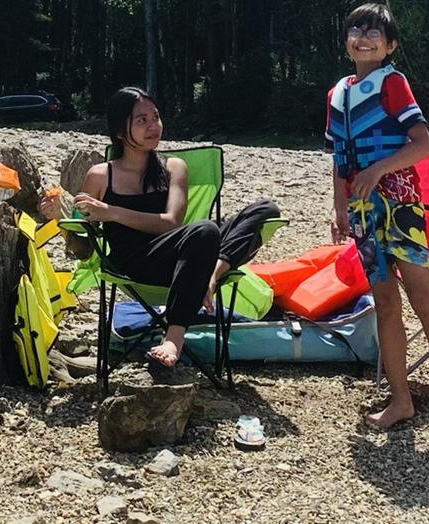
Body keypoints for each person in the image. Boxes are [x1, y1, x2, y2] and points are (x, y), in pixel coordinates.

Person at [44, 86, 279, 372]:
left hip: (184, 259)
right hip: (137, 264)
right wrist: (60, 215)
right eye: (141, 120)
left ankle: (212, 275)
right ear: (120, 131)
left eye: (155, 117)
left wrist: (112, 212)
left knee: (264, 210)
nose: (153, 126)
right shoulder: (100, 176)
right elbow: (83, 248)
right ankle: (173, 338)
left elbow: (171, 223)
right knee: (205, 231)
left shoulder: (173, 168)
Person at [326, 1, 429, 438]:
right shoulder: (338, 93)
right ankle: (401, 399)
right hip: (363, 211)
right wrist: (339, 206)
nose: (363, 38)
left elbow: (422, 145)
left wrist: (376, 171)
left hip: (400, 203)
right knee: (385, 302)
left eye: (374, 33)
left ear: (390, 46)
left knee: (423, 298)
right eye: (356, 30)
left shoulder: (393, 84)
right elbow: (337, 158)